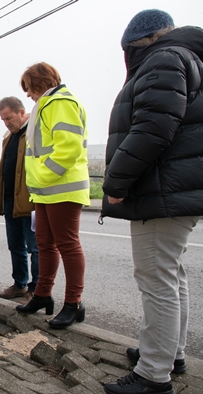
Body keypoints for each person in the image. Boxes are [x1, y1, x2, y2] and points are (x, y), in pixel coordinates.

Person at [102, 10, 203, 394]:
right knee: (172, 276)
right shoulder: (186, 56)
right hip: (177, 188)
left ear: (139, 43)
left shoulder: (163, 58)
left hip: (161, 189)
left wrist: (117, 180)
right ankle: (169, 353)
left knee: (156, 279)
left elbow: (153, 127)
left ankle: (153, 376)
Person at [14, 63, 90, 330]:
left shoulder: (60, 102)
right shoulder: (46, 104)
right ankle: (43, 294)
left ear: (39, 83)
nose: (27, 95)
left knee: (67, 244)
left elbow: (68, 147)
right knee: (44, 243)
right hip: (46, 190)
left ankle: (74, 304)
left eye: (29, 88)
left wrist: (44, 175)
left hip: (62, 187)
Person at [0, 97, 38, 305]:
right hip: (10, 199)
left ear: (22, 112)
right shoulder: (9, 136)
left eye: (9, 118)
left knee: (34, 246)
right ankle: (20, 284)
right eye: (3, 120)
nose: (7, 123)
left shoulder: (32, 132)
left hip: (30, 199)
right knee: (15, 244)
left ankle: (36, 290)